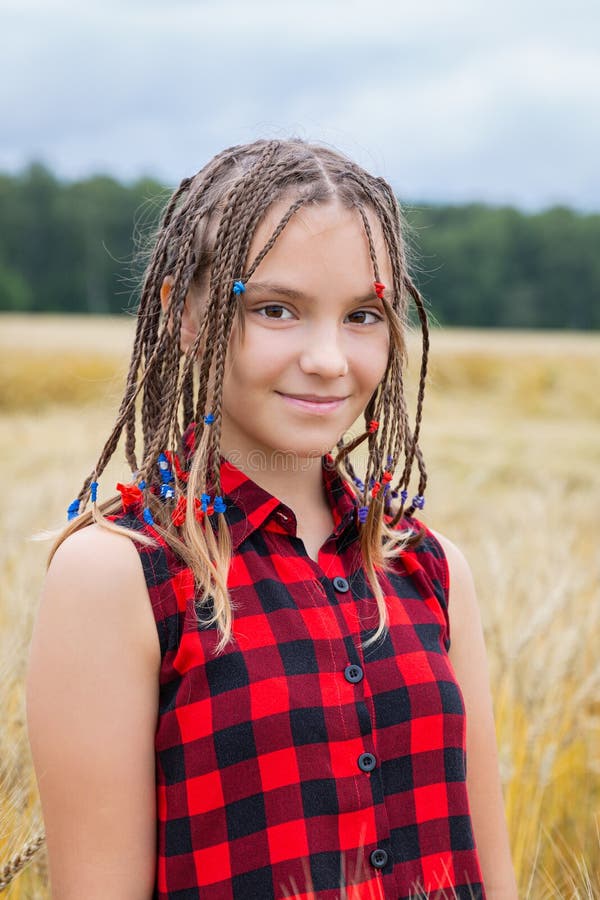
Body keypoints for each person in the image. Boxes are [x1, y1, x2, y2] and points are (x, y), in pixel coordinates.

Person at [20, 138, 517, 899]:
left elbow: (492, 875)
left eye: (362, 315)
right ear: (185, 317)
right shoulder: (120, 576)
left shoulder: (430, 568)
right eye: (276, 309)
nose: (327, 357)